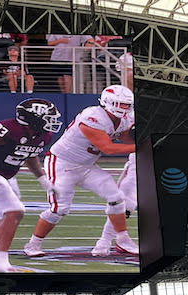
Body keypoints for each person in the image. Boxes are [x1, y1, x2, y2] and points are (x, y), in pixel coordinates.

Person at [25, 84, 137, 258]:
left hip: (87, 166)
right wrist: (143, 146)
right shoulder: (92, 116)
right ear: (108, 102)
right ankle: (33, 244)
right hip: (62, 164)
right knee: (59, 208)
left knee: (117, 197)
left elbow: (124, 136)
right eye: (121, 104)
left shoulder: (125, 119)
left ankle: (122, 239)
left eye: (127, 105)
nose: (125, 109)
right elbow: (108, 148)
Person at [0, 99, 60, 272]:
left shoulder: (43, 135)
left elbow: (30, 154)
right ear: (34, 118)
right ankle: (0, 262)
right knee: (14, 211)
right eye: (48, 117)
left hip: (7, 176)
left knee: (7, 214)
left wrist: (43, 180)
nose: (51, 122)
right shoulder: (10, 130)